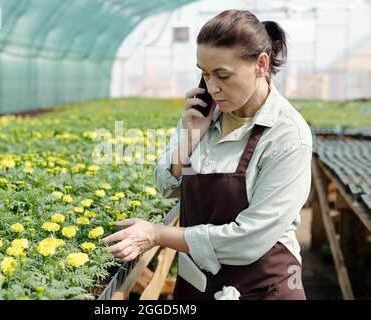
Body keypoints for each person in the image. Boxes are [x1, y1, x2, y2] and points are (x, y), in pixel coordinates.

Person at [102, 9, 311, 300]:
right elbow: (166, 187)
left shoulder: (287, 136)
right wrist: (190, 136)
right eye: (205, 73)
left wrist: (157, 234)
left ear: (261, 64)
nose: (212, 87)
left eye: (223, 75)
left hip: (262, 287)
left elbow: (248, 239)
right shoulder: (204, 112)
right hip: (198, 284)